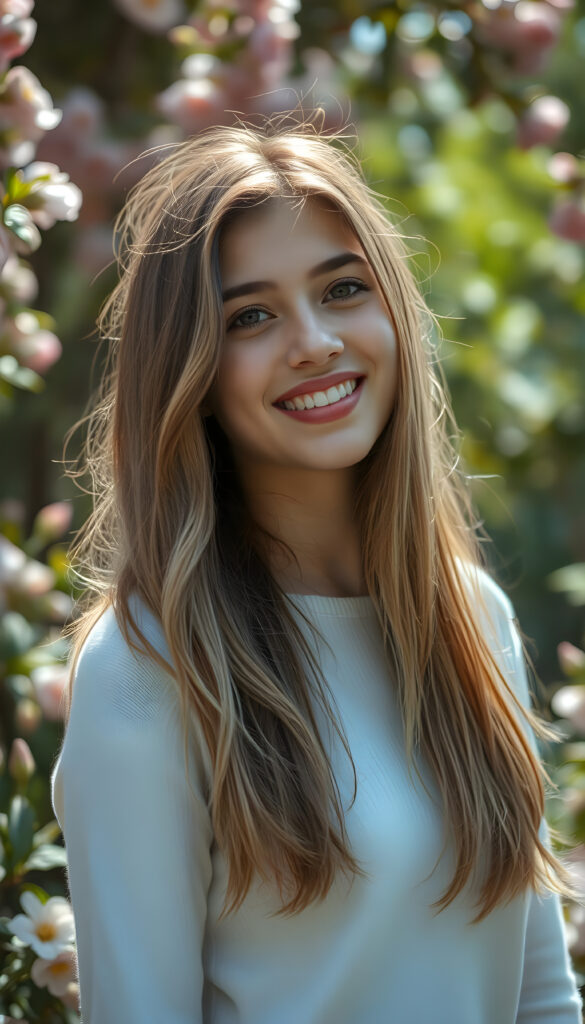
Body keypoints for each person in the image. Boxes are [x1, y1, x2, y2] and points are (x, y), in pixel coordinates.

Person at [51, 109, 582, 1024]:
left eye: (342, 290)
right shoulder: (148, 675)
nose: (314, 341)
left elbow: (538, 996)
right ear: (192, 376)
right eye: (250, 315)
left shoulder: (469, 615)